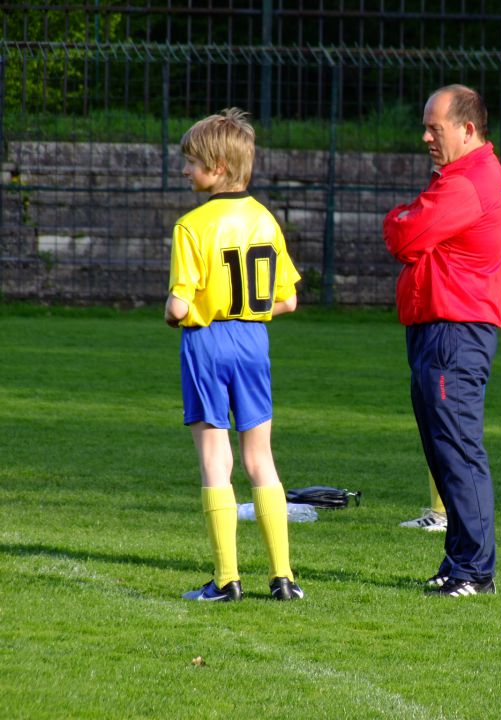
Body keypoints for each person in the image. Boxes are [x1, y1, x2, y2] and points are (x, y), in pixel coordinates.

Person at [165, 107, 305, 600]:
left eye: (192, 162)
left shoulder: (191, 225)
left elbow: (180, 304)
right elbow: (287, 299)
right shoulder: (265, 219)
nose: (185, 170)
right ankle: (283, 577)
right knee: (261, 459)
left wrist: (173, 310)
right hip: (253, 342)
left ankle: (227, 580)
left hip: (207, 344)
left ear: (218, 167)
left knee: (213, 461)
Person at [384, 84, 501, 596]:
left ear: (467, 128)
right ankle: (459, 559)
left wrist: (402, 218)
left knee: (456, 448)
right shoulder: (462, 176)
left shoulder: (464, 184)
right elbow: (415, 233)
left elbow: (404, 236)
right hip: (444, 328)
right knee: (444, 450)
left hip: (453, 332)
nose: (426, 137)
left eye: (434, 128)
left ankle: (475, 571)